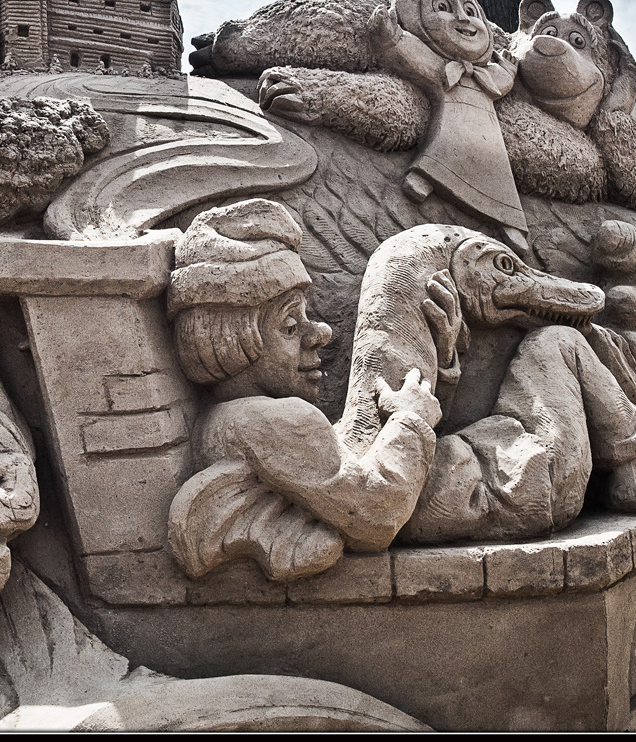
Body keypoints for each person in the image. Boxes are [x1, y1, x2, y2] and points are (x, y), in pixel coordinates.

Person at [165, 199, 441, 581]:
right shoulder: (277, 420)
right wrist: (411, 419)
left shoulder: (222, 419)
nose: (320, 333)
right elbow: (379, 512)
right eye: (291, 325)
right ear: (236, 342)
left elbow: (337, 462)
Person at [370, 0, 531, 254]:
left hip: (489, 136)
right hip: (451, 124)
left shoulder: (485, 75)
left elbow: (501, 83)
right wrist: (392, 36)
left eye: (471, 11)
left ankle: (510, 222)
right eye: (443, 7)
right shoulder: (440, 68)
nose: (463, 18)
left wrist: (508, 69)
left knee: (497, 173)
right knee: (442, 147)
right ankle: (424, 178)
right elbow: (411, 54)